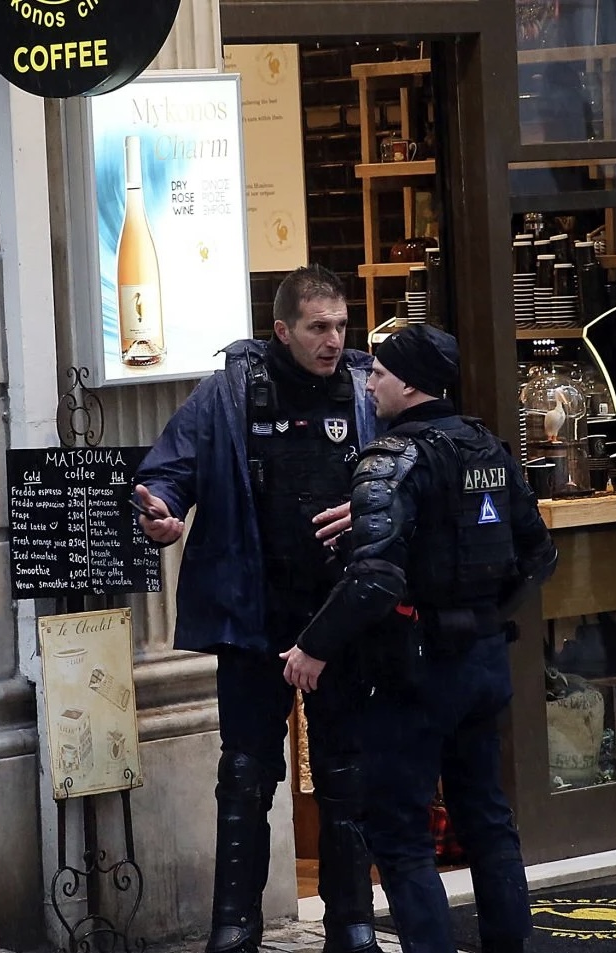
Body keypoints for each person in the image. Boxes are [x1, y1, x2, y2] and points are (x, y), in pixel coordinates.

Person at [281, 326, 557, 953]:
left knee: (402, 835)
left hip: (417, 671)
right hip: (483, 661)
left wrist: (313, 646)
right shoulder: (489, 447)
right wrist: (480, 614)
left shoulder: (390, 458)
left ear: (408, 384)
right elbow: (539, 556)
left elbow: (374, 579)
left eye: (378, 372)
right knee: (487, 819)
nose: (369, 384)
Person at [133, 265, 383, 953]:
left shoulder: (366, 389)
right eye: (318, 327)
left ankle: (351, 923)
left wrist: (374, 510)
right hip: (255, 615)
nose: (333, 340)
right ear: (281, 330)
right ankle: (235, 925)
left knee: (344, 771)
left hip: (338, 618)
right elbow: (168, 469)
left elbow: (411, 472)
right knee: (245, 773)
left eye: (341, 326)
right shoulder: (229, 393)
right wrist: (161, 512)